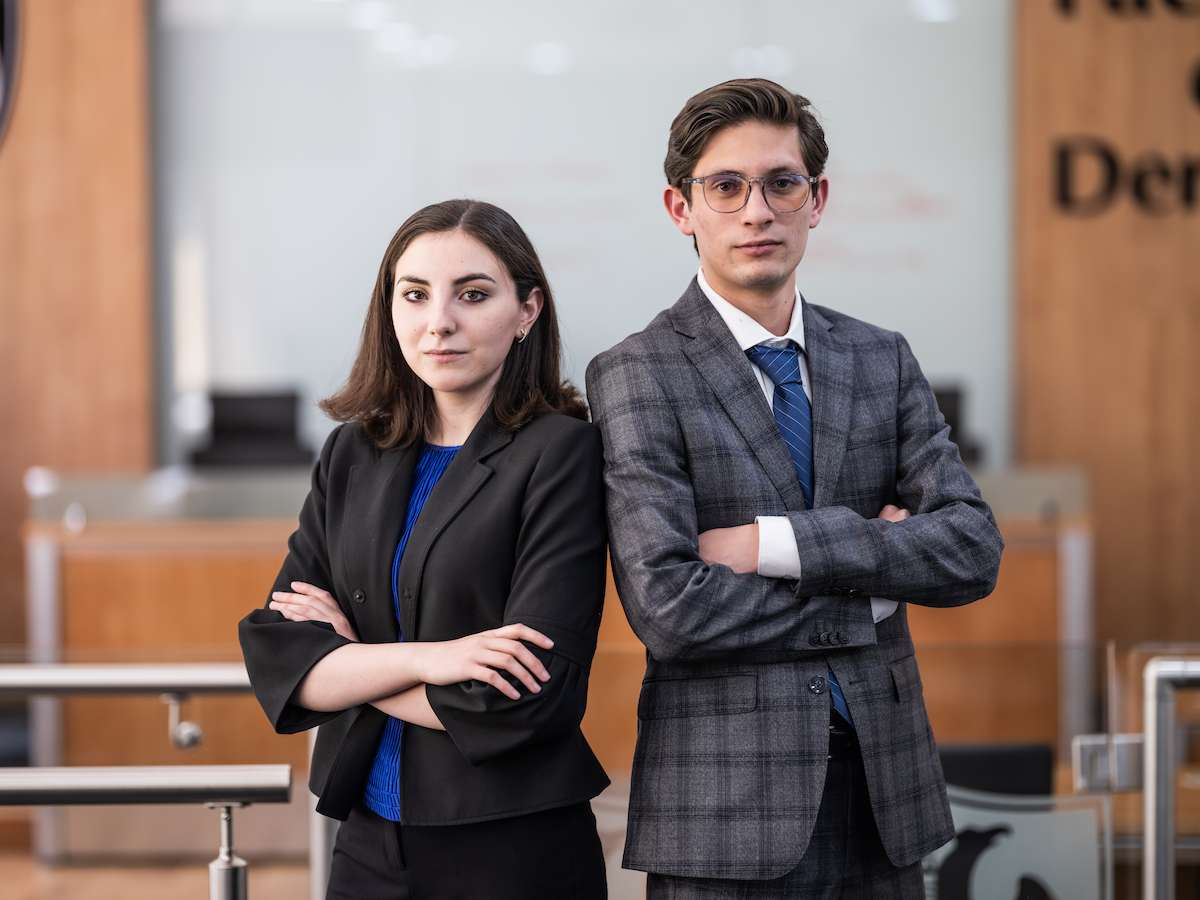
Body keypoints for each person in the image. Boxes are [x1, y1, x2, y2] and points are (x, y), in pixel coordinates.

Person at [585, 78, 1004, 898]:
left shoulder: (880, 359)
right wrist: (873, 587)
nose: (756, 211)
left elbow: (970, 549)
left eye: (781, 184)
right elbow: (670, 607)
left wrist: (773, 545)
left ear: (817, 200)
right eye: (726, 187)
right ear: (681, 208)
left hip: (887, 800)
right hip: (726, 816)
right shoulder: (637, 374)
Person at [239, 199, 609, 900]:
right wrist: (429, 658)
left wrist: (354, 662)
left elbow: (524, 699)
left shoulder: (562, 453)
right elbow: (281, 658)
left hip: (512, 843)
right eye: (414, 295)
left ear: (527, 310)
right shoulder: (355, 450)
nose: (439, 320)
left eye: (473, 295)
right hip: (368, 840)